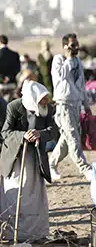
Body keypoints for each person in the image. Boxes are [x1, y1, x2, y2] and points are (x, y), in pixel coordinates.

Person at [0, 80, 56, 242]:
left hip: (35, 157)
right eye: (42, 98)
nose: (45, 101)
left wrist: (40, 133)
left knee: (34, 194)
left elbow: (53, 130)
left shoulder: (47, 109)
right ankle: (10, 233)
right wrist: (23, 135)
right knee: (15, 191)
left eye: (46, 98)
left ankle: (35, 233)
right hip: (15, 156)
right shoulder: (14, 107)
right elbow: (5, 132)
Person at [49, 33, 94, 181]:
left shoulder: (78, 62)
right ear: (65, 47)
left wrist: (86, 104)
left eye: (77, 44)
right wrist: (68, 58)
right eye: (72, 45)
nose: (76, 47)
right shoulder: (58, 60)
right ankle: (85, 168)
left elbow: (81, 85)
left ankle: (51, 164)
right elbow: (60, 76)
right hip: (64, 104)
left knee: (67, 139)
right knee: (73, 137)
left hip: (76, 104)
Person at [0, 35, 21, 101]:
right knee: (9, 104)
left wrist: (2, 78)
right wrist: (9, 77)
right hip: (11, 83)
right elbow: (17, 69)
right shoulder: (15, 54)